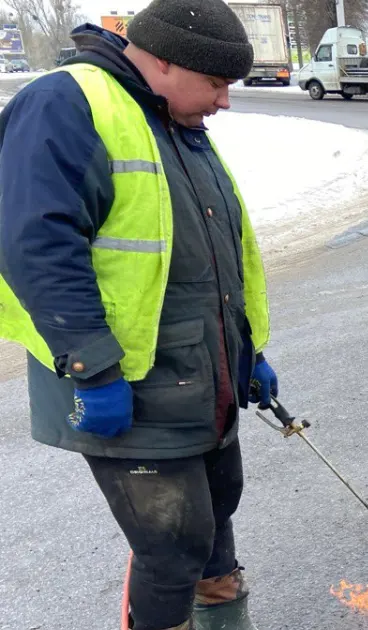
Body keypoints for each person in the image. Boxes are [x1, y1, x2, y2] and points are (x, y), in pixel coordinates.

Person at [0, 2, 278, 628]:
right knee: (171, 548)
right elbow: (35, 245)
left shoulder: (175, 122)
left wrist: (249, 353)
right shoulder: (67, 105)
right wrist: (90, 368)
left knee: (214, 527)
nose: (225, 102)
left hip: (203, 379)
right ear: (164, 61)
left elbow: (211, 259)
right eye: (215, 83)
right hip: (124, 386)